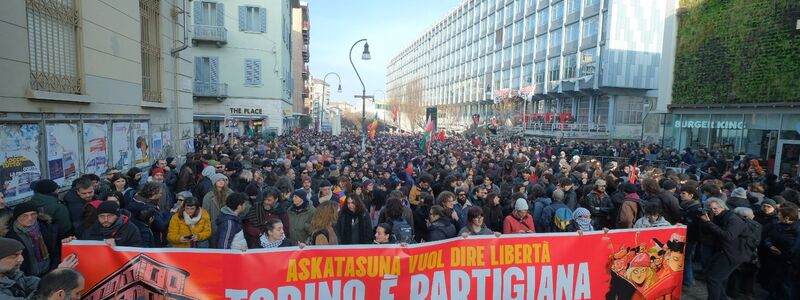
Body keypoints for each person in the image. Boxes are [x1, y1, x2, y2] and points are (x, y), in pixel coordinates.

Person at [699, 198, 749, 300]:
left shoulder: (733, 219)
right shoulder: (717, 217)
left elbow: (728, 236)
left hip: (732, 254)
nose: (713, 211)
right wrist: (705, 222)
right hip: (723, 251)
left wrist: (709, 223)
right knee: (714, 277)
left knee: (713, 278)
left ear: (722, 207)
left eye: (715, 208)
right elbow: (708, 233)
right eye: (710, 209)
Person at [0, 202, 67, 277]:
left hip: (49, 272)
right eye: (24, 216)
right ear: (17, 217)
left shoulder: (47, 228)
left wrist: (54, 270)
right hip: (26, 278)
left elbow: (56, 250)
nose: (30, 218)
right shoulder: (8, 235)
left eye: (33, 214)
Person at [0, 238, 78, 299]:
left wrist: (58, 273)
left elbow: (39, 284)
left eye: (20, 254)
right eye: (14, 256)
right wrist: (57, 276)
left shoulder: (14, 275)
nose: (21, 259)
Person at [761, 205, 800, 300]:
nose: (778, 216)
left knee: (786, 284)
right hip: (774, 259)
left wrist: (786, 256)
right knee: (773, 280)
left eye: (780, 214)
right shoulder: (777, 225)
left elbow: (795, 247)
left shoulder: (797, 230)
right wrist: (770, 246)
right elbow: (768, 237)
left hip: (789, 262)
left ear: (787, 217)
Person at [233, 219, 304, 250]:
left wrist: (301, 248)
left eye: (282, 229)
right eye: (279, 229)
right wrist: (245, 253)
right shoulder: (257, 244)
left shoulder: (288, 243)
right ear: (270, 232)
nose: (282, 232)